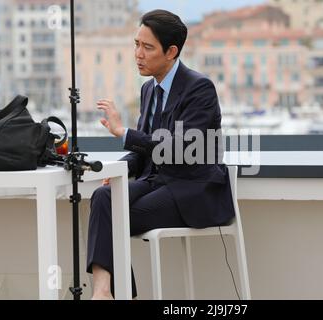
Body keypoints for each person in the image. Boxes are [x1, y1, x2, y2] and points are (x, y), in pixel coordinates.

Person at [86, 9, 235, 300]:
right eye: (136, 45)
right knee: (103, 198)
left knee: (115, 215)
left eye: (148, 47)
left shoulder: (199, 88)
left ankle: (117, 295)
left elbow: (180, 149)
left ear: (171, 52)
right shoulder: (148, 90)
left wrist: (125, 133)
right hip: (156, 179)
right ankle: (103, 292)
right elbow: (144, 151)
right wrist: (118, 171)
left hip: (191, 187)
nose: (138, 54)